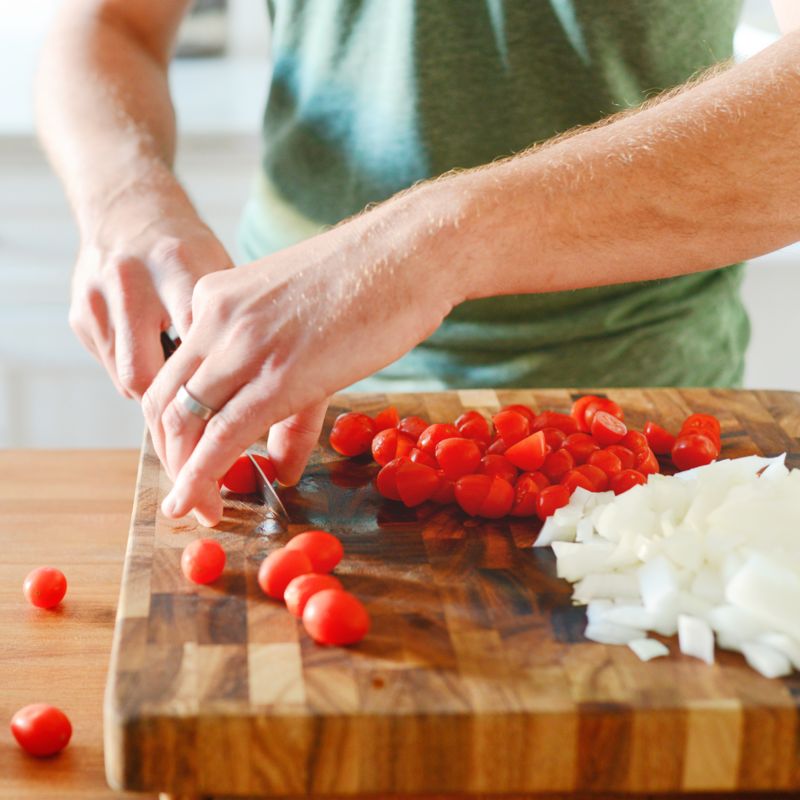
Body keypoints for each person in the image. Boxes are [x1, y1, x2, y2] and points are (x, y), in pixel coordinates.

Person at [37, 1, 800, 527]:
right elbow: (108, 22)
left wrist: (435, 242)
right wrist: (126, 199)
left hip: (640, 392)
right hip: (276, 374)